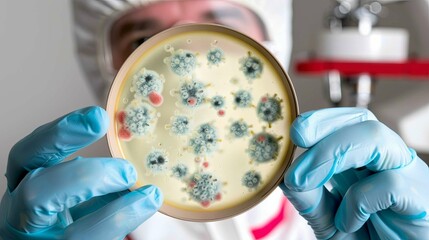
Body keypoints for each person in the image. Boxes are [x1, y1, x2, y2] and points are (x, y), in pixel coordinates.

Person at [1, 0, 428, 239]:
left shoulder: (354, 214)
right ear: (106, 69)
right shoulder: (62, 223)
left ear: (271, 49)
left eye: (220, 31)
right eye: (146, 40)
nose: (188, 64)